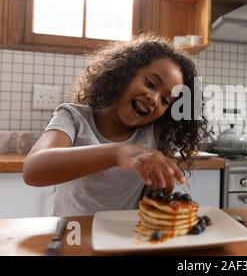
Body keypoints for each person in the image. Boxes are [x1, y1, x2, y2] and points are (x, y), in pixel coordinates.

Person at [23, 34, 207, 216]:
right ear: (124, 74)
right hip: (72, 235)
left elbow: (148, 199)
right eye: (150, 83)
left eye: (166, 100)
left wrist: (162, 198)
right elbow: (33, 170)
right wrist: (117, 153)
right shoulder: (74, 118)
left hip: (122, 238)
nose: (154, 99)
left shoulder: (154, 136)